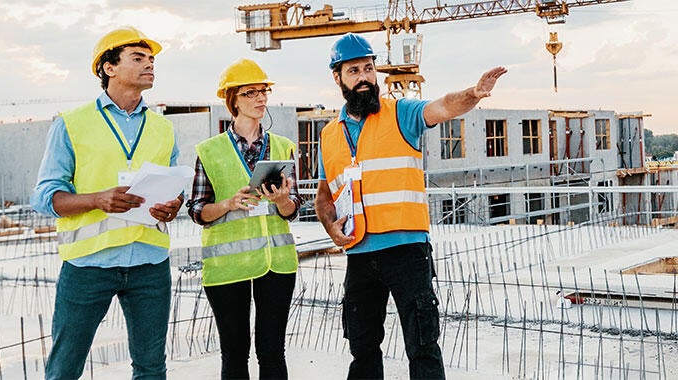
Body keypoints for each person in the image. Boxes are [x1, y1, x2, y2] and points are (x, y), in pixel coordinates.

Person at [312, 33, 507, 379]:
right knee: (362, 348)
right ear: (338, 78)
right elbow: (325, 196)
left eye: (369, 69)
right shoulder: (329, 135)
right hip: (358, 254)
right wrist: (332, 228)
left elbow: (444, 106)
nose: (363, 78)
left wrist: (472, 95)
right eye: (354, 70)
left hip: (407, 252)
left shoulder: (402, 113)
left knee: (422, 347)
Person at [33, 26, 184, 380]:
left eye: (151, 60)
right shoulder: (72, 124)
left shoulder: (163, 128)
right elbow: (44, 196)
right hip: (88, 266)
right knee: (64, 369)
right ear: (109, 68)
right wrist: (97, 200)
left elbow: (175, 187)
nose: (150, 65)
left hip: (150, 263)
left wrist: (174, 204)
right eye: (138, 58)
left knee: (151, 369)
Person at [186, 58, 300, 379]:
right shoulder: (209, 151)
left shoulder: (282, 147)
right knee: (235, 354)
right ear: (232, 99)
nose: (261, 99)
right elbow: (197, 211)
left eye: (263, 91)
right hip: (227, 268)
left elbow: (294, 209)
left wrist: (282, 201)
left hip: (276, 265)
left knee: (272, 352)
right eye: (251, 93)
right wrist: (228, 204)